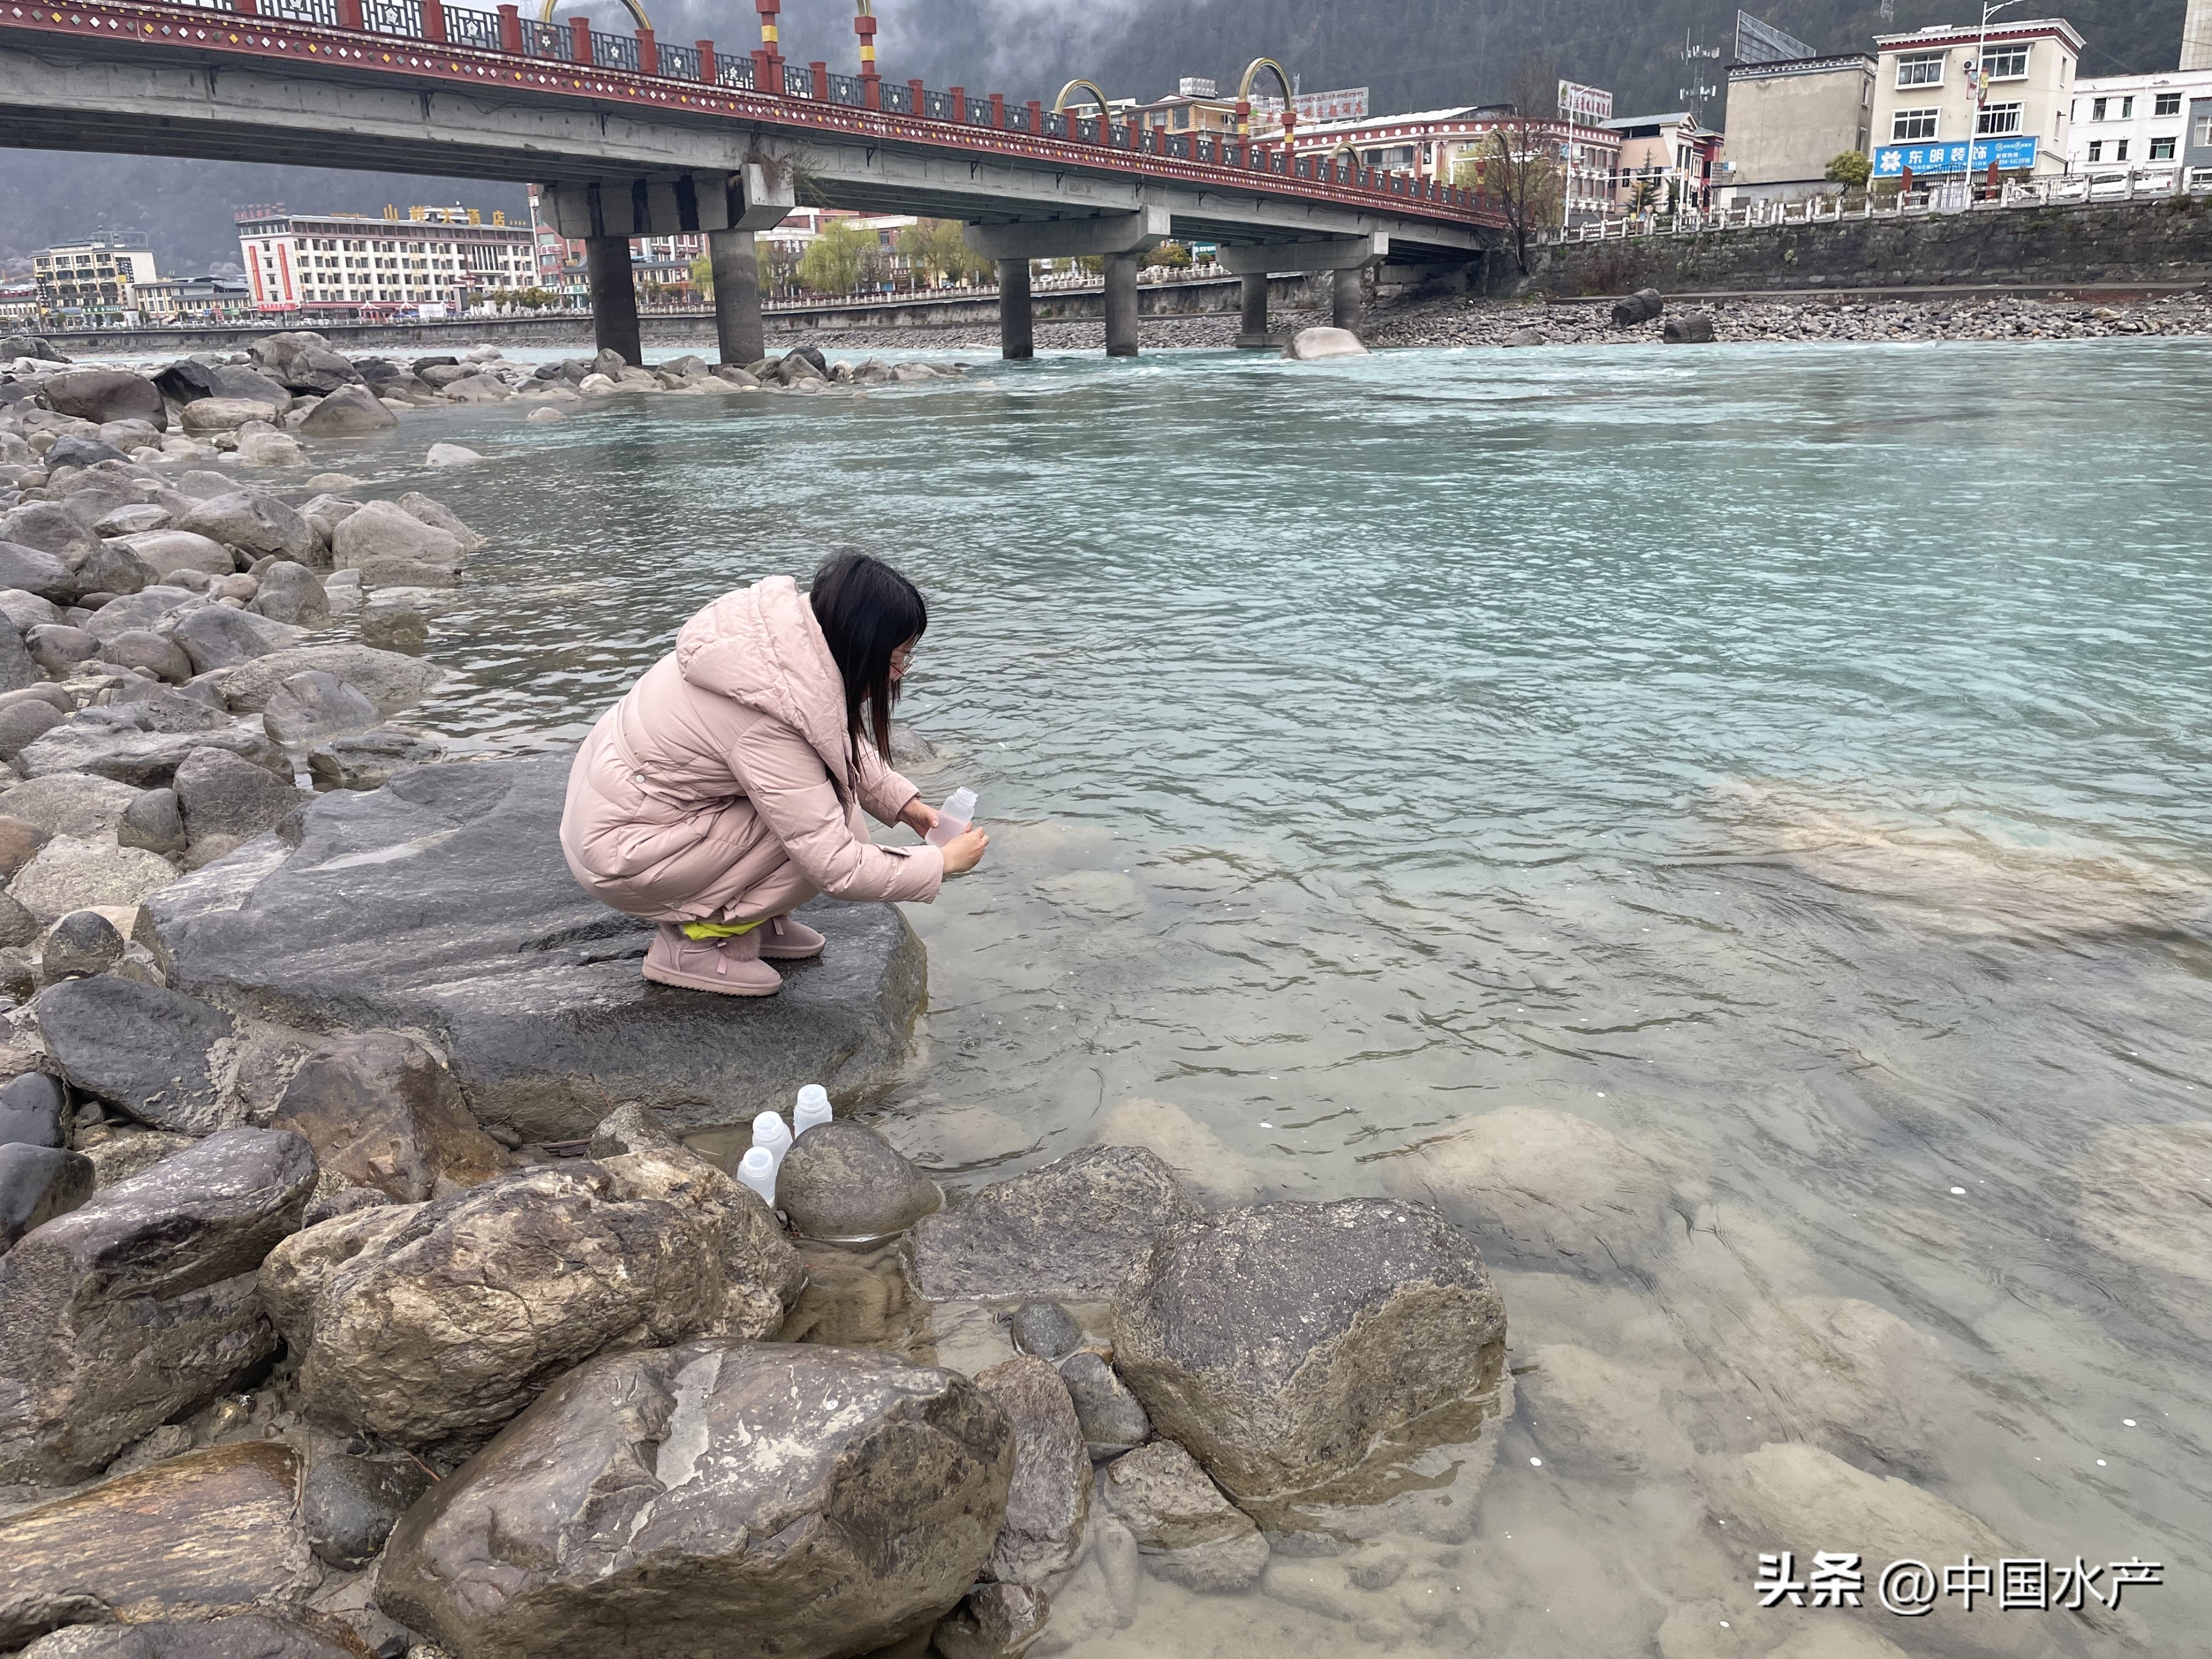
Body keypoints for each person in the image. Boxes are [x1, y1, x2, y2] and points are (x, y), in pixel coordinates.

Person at [559, 553, 987, 996]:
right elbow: (836, 867)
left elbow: (826, 734)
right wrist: (940, 863)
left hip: (627, 816)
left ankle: (751, 916)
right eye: (897, 659)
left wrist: (905, 805)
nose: (898, 675)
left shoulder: (777, 650)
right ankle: (694, 944)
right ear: (859, 645)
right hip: (626, 855)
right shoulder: (767, 722)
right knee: (832, 833)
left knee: (821, 814)